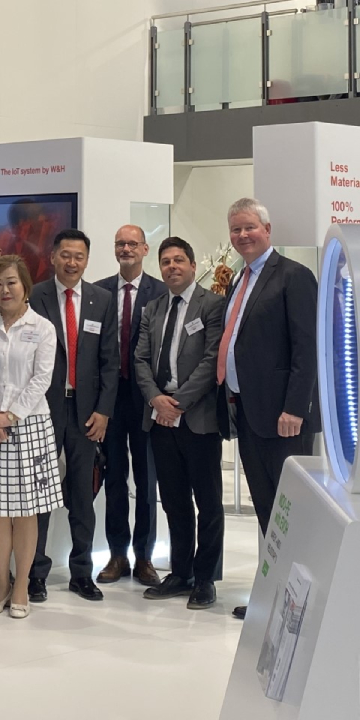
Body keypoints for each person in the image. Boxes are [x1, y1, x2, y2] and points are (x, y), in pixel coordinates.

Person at [219, 197, 317, 620]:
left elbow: (307, 348)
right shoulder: (238, 281)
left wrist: (295, 407)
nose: (242, 235)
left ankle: (298, 602)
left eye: (249, 227)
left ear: (267, 229)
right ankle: (273, 597)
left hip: (283, 420)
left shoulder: (293, 276)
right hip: (247, 412)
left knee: (291, 513)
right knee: (267, 512)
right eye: (235, 229)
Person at [0, 256, 60, 619]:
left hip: (29, 424)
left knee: (26, 511)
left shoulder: (43, 328)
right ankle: (1, 584)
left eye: (11, 283)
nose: (4, 290)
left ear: (25, 287)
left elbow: (42, 378)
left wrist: (11, 414)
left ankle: (22, 585)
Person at [133, 238, 225, 609]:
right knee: (173, 501)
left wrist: (179, 403)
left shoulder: (212, 304)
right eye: (166, 261)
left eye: (179, 260)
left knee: (208, 503)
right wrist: (156, 399)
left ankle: (205, 579)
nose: (172, 267)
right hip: (160, 417)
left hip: (197, 418)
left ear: (191, 265)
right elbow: (140, 359)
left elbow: (212, 359)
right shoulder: (153, 308)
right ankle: (180, 572)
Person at [28, 229, 117, 603]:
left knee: (82, 495)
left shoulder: (102, 300)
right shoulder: (35, 295)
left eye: (79, 256)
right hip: (43, 408)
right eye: (65, 254)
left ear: (87, 260)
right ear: (53, 257)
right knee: (40, 493)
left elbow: (110, 362)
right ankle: (35, 573)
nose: (72, 262)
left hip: (86, 412)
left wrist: (104, 411)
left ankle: (82, 572)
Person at [94, 223, 164, 588]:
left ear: (145, 249)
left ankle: (145, 557)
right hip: (110, 398)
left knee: (147, 481)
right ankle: (117, 554)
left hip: (147, 400)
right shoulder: (99, 291)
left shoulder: (161, 292)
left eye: (132, 243)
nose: (126, 249)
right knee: (114, 479)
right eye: (120, 243)